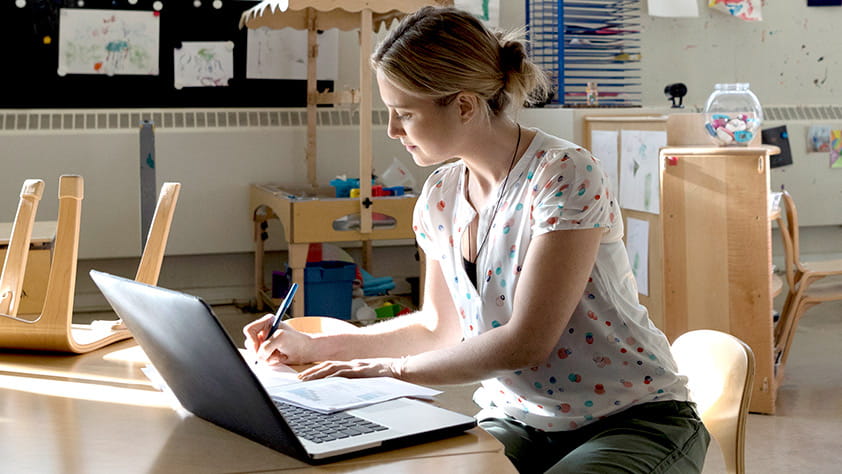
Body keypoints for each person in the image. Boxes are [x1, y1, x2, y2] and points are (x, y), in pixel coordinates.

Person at [244, 6, 710, 473]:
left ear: (465, 105)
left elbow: (526, 343)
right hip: (518, 420)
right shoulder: (440, 196)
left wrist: (390, 370)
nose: (392, 131)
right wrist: (316, 348)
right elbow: (435, 328)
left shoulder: (563, 173)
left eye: (404, 114)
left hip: (632, 418)